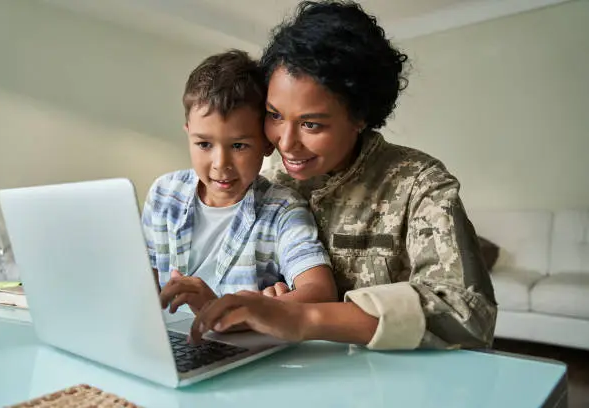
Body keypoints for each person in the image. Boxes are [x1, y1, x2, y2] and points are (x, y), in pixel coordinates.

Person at [189, 1, 497, 350]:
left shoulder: (418, 185)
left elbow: (468, 315)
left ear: (360, 116)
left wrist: (307, 318)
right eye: (274, 115)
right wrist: (260, 300)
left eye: (311, 124)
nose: (286, 143)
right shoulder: (268, 183)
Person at [141, 50, 337, 316]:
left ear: (267, 144)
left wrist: (238, 310)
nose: (220, 163)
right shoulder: (165, 194)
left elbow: (321, 292)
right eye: (204, 144)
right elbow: (143, 284)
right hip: (169, 339)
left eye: (238, 145)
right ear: (188, 134)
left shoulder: (282, 209)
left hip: (236, 343)